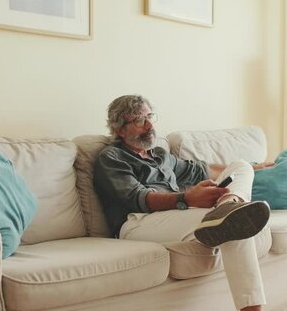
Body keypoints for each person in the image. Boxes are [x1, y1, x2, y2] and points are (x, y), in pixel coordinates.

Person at [93, 95, 273, 311]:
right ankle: (228, 210)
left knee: (239, 176)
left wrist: (253, 168)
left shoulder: (160, 154)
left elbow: (202, 169)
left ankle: (229, 203)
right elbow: (138, 197)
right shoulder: (111, 157)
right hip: (137, 223)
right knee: (235, 221)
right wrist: (186, 198)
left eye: (150, 116)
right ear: (120, 129)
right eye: (139, 120)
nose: (150, 125)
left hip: (177, 215)